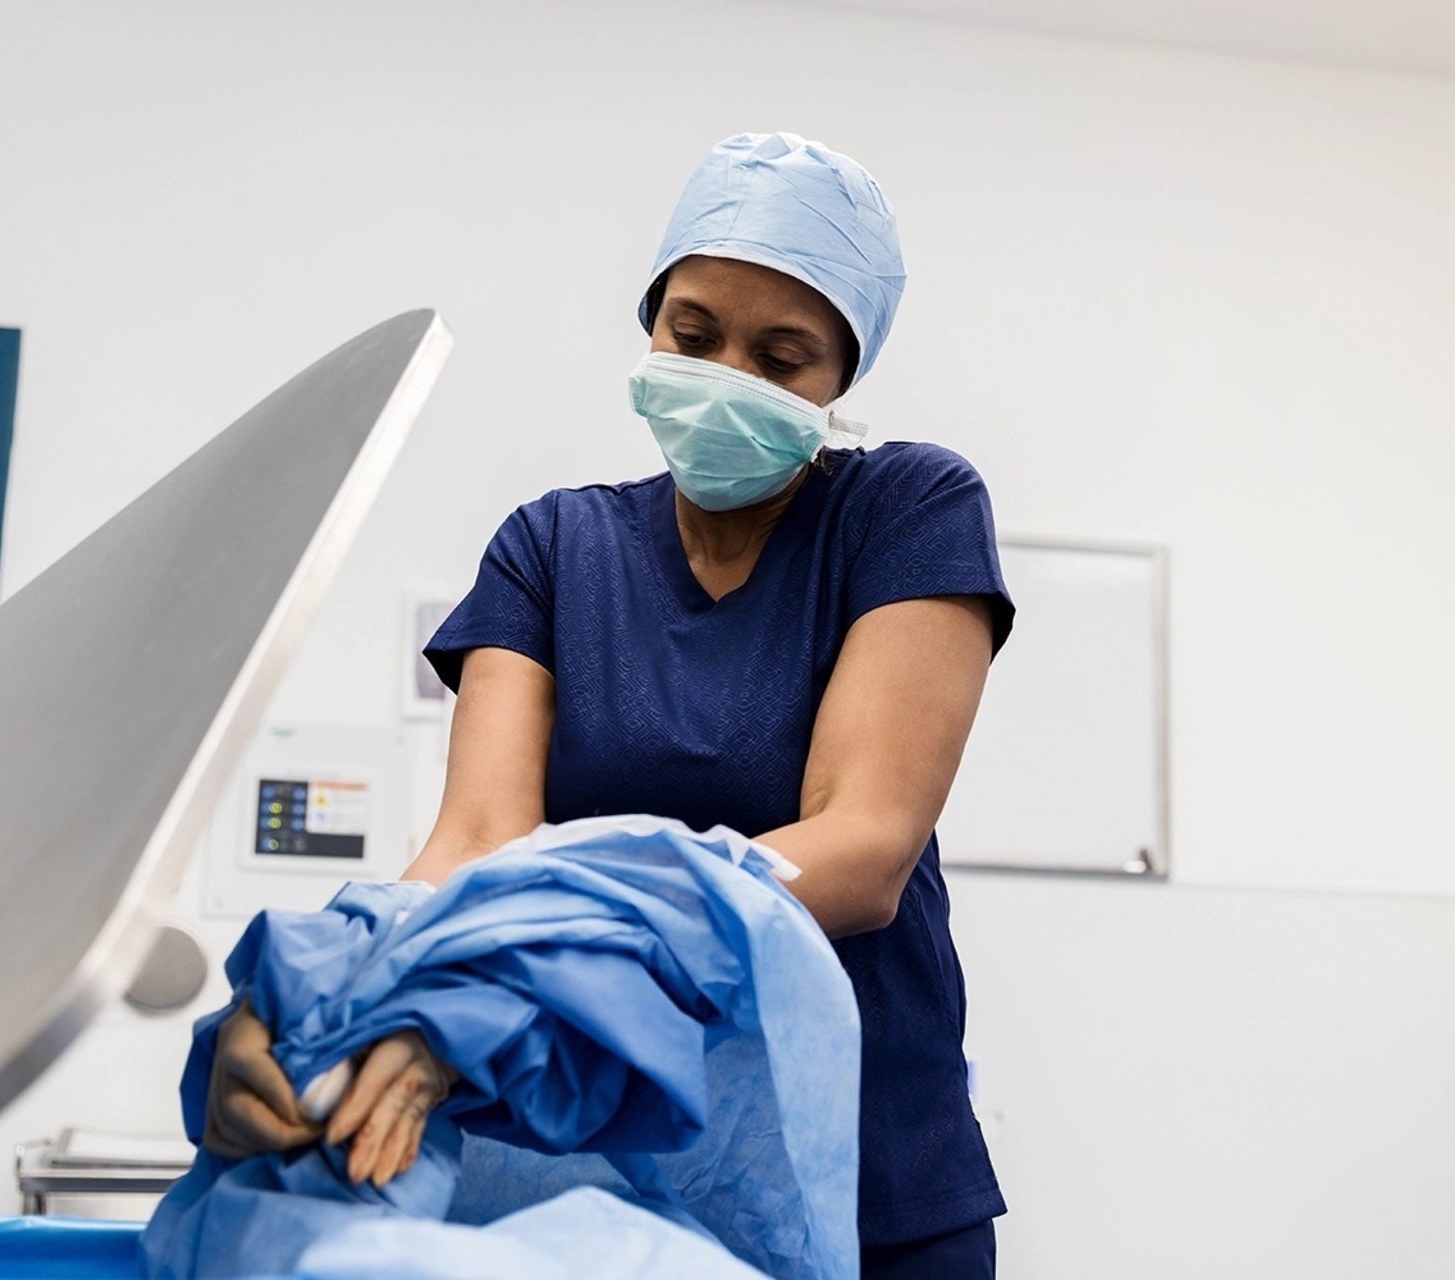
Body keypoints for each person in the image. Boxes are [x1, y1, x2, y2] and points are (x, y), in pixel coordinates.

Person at [201, 131, 1013, 1279]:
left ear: (842, 380)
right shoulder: (552, 546)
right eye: (694, 334)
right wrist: (333, 997)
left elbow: (861, 846)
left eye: (783, 358)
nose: (726, 375)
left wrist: (532, 963)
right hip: (593, 1178)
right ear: (651, 323)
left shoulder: (905, 509)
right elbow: (477, 839)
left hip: (862, 1169)